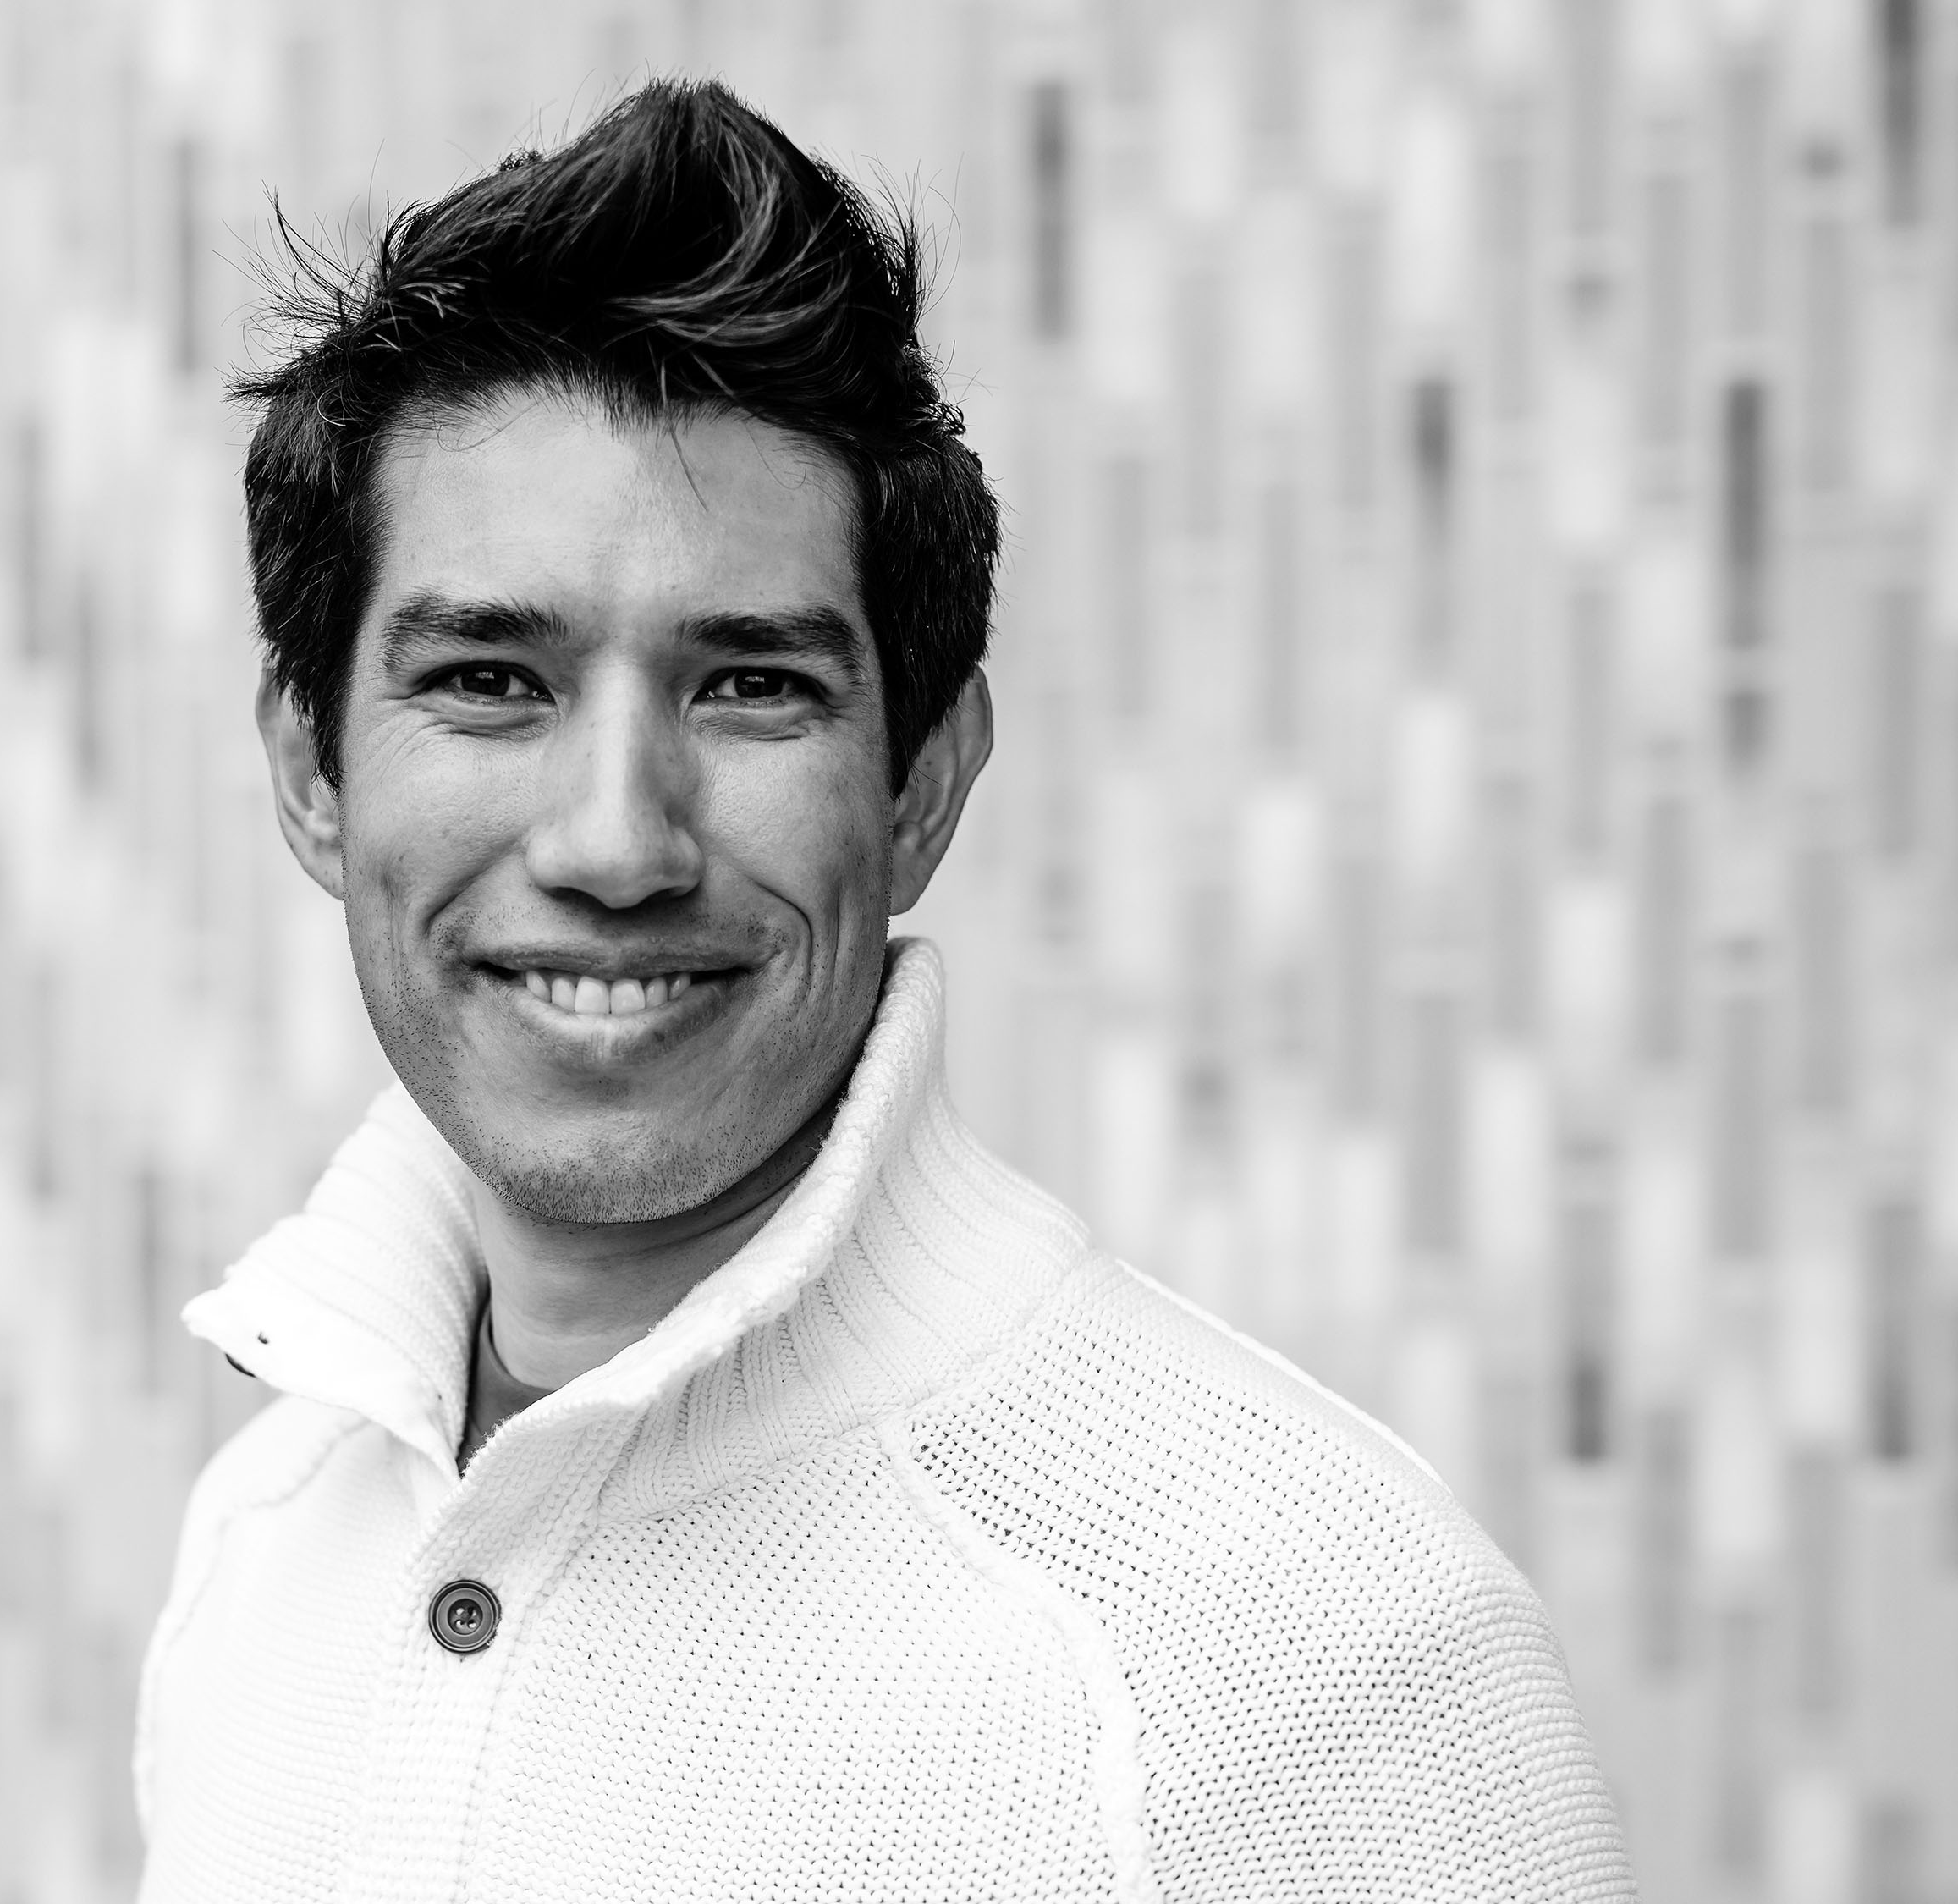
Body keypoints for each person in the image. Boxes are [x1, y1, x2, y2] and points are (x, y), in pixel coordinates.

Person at [135, 79, 1634, 1904]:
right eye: (491, 682)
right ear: (312, 771)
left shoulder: (1309, 1656)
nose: (617, 842)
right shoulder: (262, 1539)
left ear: (922, 783)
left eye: (751, 686)